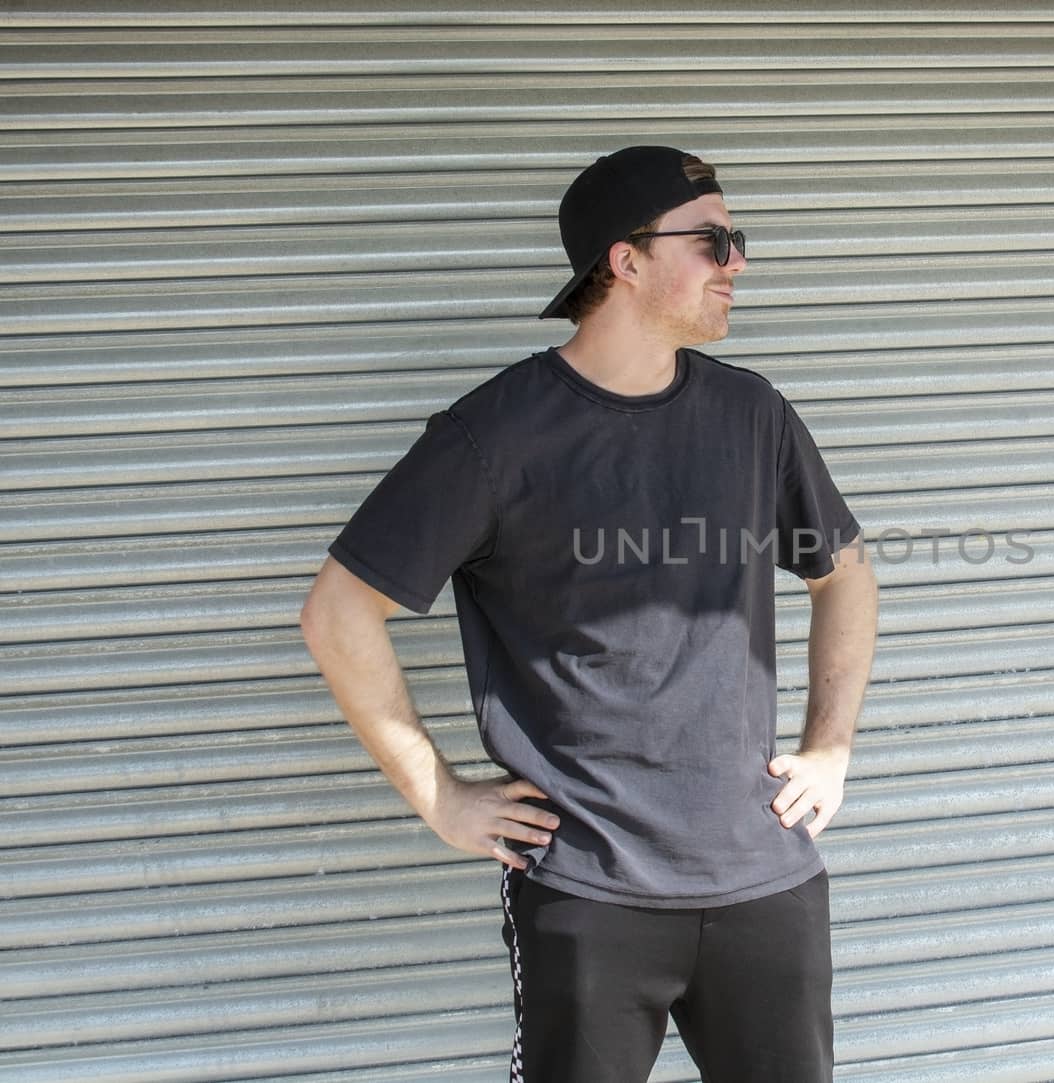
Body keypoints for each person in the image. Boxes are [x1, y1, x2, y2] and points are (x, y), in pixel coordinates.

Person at [299, 145, 879, 1083]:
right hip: (590, 896)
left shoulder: (754, 415)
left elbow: (845, 576)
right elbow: (337, 614)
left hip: (765, 883)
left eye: (738, 239)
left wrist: (831, 744)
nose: (739, 262)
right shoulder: (494, 437)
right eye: (715, 241)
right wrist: (441, 796)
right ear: (627, 260)